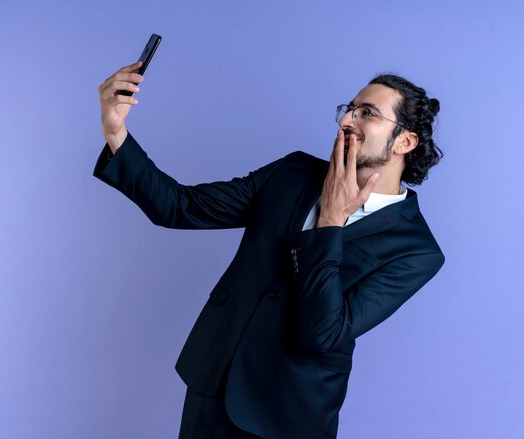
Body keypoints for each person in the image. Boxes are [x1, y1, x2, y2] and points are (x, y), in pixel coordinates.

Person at [94, 60, 445, 439]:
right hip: (215, 381)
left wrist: (330, 222)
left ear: (405, 142)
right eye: (350, 109)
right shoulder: (292, 173)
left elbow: (323, 334)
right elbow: (180, 206)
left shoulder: (416, 250)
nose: (347, 121)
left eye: (368, 114)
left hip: (288, 412)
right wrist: (116, 132)